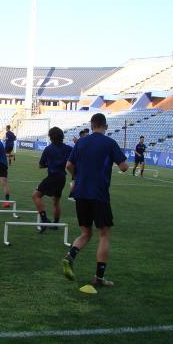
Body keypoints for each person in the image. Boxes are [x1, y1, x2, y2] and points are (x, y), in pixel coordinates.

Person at [61, 113, 129, 286]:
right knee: (104, 234)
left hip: (80, 193)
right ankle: (98, 278)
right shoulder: (109, 143)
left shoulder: (81, 143)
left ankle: (70, 256)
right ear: (105, 126)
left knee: (85, 233)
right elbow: (124, 167)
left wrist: (77, 178)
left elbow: (68, 166)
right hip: (99, 194)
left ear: (91, 125)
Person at [32, 127, 72, 232]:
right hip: (62, 178)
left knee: (36, 195)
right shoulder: (68, 148)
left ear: (51, 137)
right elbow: (72, 162)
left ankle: (44, 220)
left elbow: (41, 165)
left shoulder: (48, 149)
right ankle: (56, 223)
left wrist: (48, 164)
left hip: (53, 177)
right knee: (56, 201)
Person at [68, 128, 89, 201]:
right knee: (75, 180)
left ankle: (74, 194)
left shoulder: (80, 142)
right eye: (86, 134)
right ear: (82, 135)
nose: (88, 135)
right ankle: (71, 195)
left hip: (80, 166)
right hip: (78, 166)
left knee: (77, 181)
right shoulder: (80, 142)